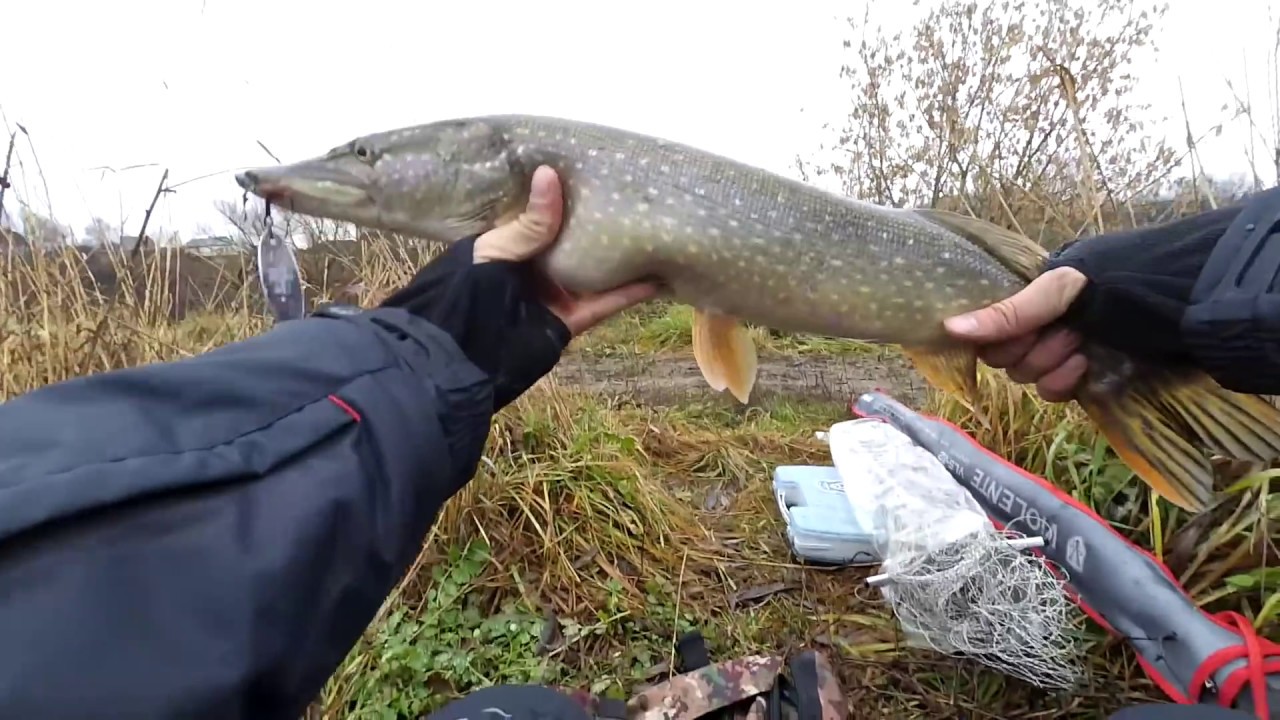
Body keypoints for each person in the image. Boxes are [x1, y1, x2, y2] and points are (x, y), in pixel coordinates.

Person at [0, 162, 1265, 719]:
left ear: (504, 177)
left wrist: (437, 343)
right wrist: (445, 336)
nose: (349, 175)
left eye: (377, 164)